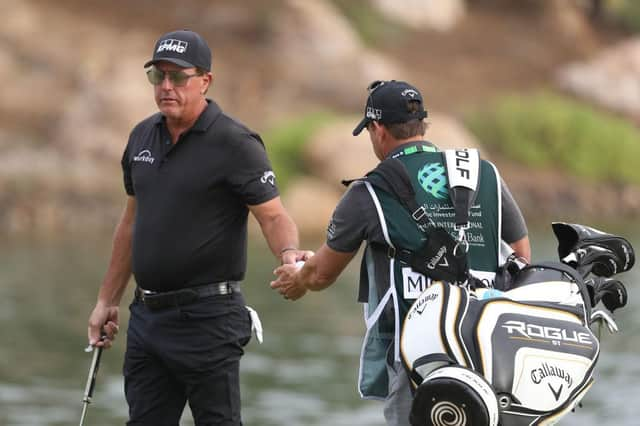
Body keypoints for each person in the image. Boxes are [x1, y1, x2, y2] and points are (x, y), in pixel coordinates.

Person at [270, 80, 531, 426]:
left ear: (378, 130)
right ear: (422, 124)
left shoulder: (370, 191)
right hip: (489, 354)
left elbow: (320, 273)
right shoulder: (484, 173)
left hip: (420, 360)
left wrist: (298, 279)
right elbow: (520, 255)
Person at [87, 29, 310, 426]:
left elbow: (273, 215)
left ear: (205, 80)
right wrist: (107, 300)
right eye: (158, 76)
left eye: (178, 77)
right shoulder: (142, 136)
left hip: (209, 320)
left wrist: (289, 256)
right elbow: (131, 223)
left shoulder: (235, 143)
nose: (166, 86)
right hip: (147, 318)